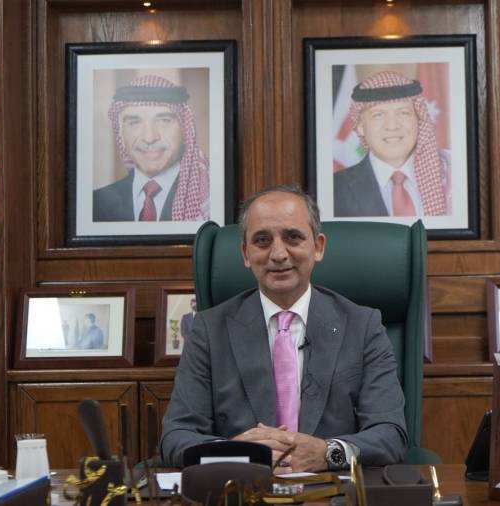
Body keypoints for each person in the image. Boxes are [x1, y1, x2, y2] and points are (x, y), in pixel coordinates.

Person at [159, 185, 407, 471]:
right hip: (242, 487)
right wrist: (234, 453)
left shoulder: (363, 326)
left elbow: (390, 434)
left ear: (318, 247)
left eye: (293, 237)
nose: (278, 254)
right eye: (262, 240)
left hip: (329, 488)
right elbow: (176, 436)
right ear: (246, 254)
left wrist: (327, 453)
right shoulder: (208, 330)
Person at [93, 74, 209, 222]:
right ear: (121, 133)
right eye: (134, 123)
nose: (149, 138)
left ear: (184, 129)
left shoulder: (209, 200)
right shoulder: (96, 204)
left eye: (164, 121)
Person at [334, 71, 451, 218]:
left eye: (403, 113)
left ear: (418, 119)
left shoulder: (451, 179)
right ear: (360, 126)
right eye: (378, 115)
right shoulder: (335, 189)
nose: (392, 126)